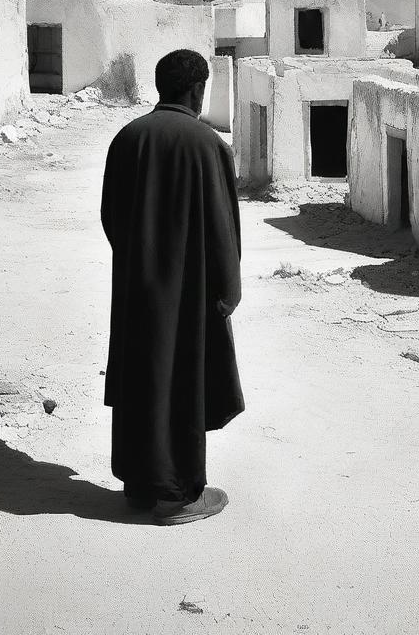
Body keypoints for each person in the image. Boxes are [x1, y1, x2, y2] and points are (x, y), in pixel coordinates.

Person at [100, 49, 244, 525]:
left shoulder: (128, 138)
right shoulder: (207, 144)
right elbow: (223, 228)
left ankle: (140, 486)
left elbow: (111, 218)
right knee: (182, 386)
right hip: (189, 295)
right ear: (197, 89)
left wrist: (139, 262)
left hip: (136, 289)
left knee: (143, 381)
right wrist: (227, 291)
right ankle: (181, 495)